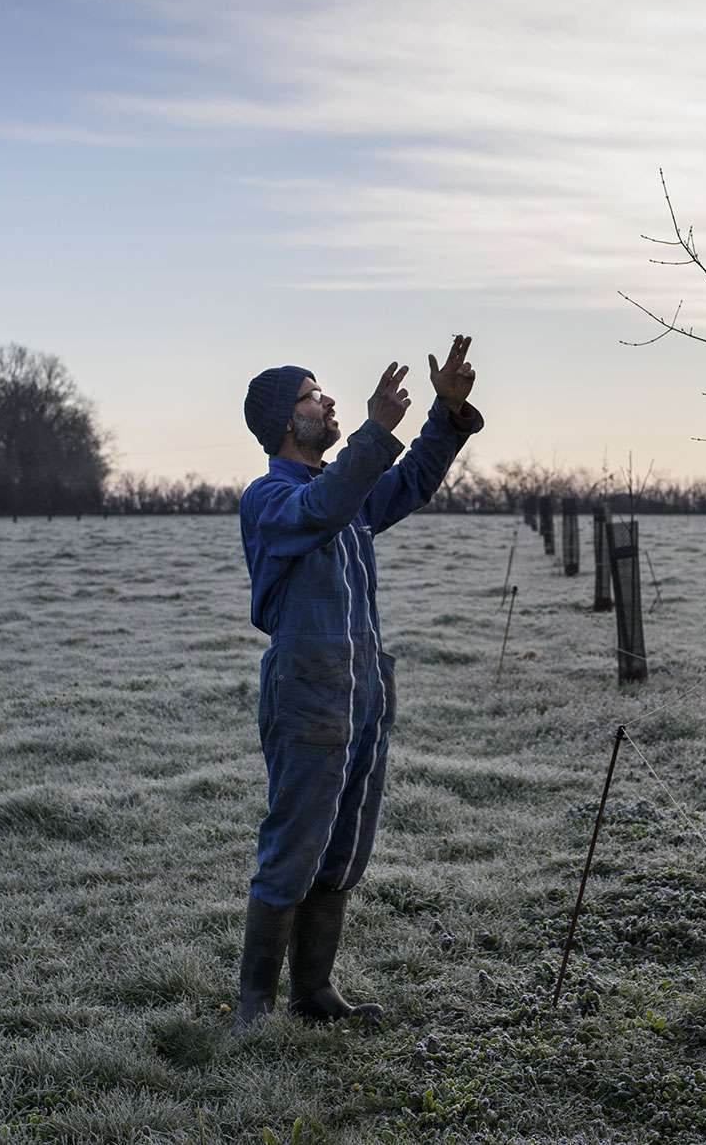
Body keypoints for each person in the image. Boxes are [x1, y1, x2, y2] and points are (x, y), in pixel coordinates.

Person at [232, 335, 483, 1029]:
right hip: (308, 692)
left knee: (343, 848)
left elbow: (407, 482)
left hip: (363, 693)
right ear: (288, 420)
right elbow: (324, 508)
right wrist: (375, 431)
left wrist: (445, 413)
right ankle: (252, 1009)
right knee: (296, 844)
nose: (326, 400)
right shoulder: (271, 499)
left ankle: (314, 994)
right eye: (312, 395)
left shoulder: (346, 497)